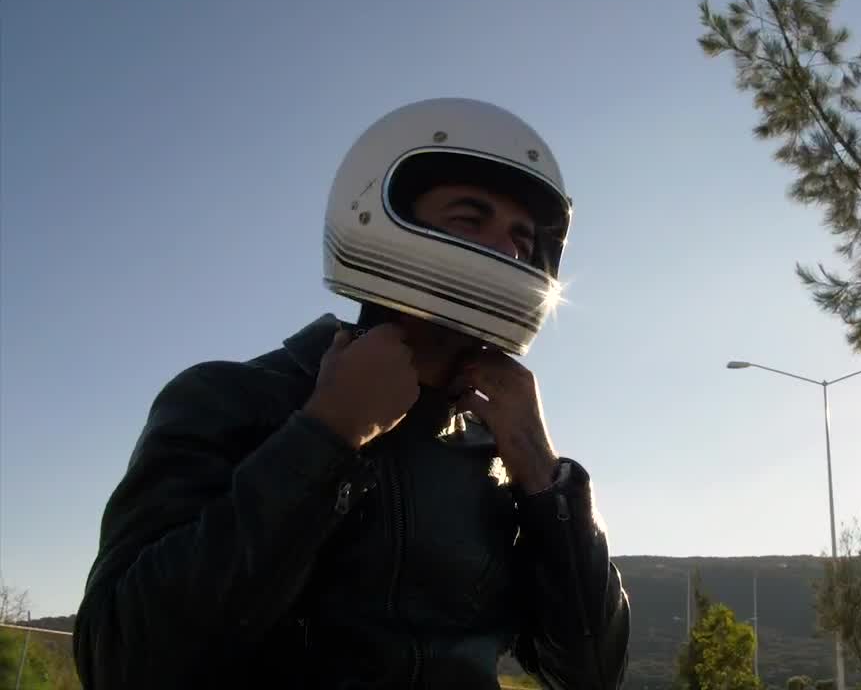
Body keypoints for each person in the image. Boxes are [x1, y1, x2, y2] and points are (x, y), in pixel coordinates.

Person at [73, 98, 631, 689]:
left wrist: (545, 478)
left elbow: (591, 675)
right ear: (382, 213)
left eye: (522, 237)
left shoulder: (494, 457)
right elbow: (121, 659)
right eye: (470, 218)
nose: (508, 251)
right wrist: (326, 435)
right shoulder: (229, 398)